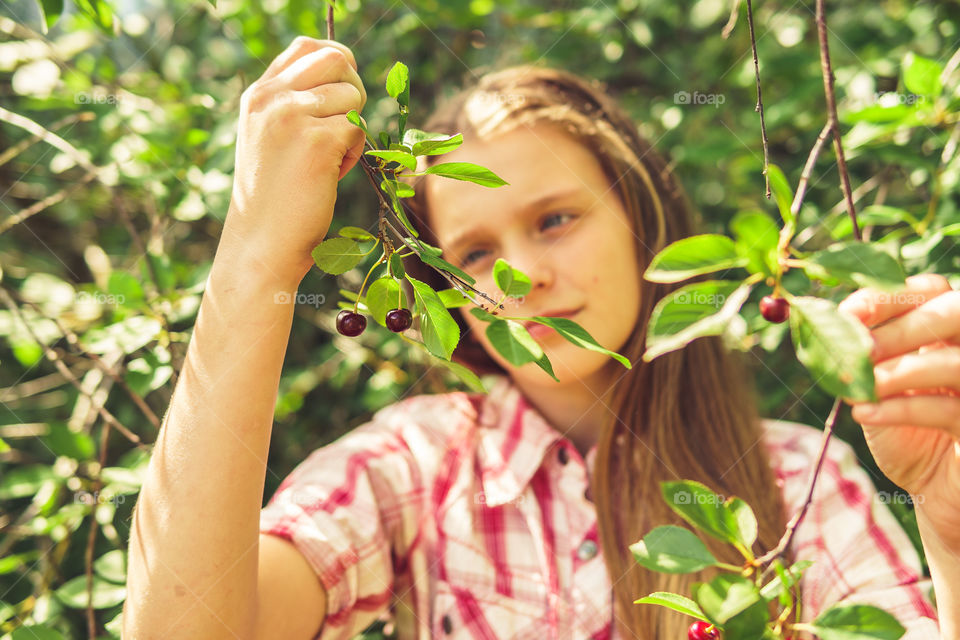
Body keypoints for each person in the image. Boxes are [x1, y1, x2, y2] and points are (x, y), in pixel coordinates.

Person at [122, 36, 960, 640]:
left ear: (641, 219)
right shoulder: (414, 471)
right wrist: (257, 250)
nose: (521, 277)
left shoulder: (794, 481)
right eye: (477, 254)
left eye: (555, 219)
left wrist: (952, 530)